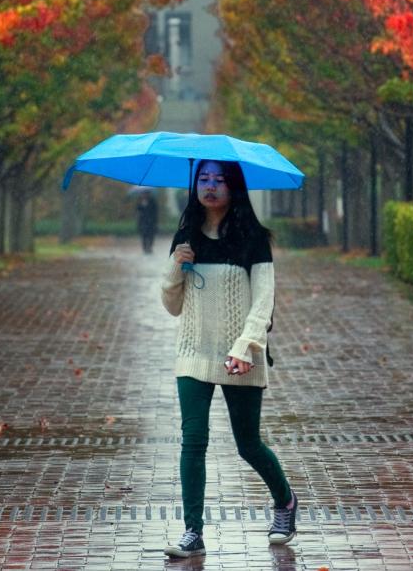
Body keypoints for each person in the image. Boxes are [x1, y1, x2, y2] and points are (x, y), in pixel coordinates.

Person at [160, 159, 297, 559]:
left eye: (219, 179)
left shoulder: (253, 237)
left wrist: (244, 347)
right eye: (203, 178)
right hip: (193, 353)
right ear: (195, 186)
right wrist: (176, 267)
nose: (210, 185)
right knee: (193, 440)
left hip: (242, 355)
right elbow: (171, 305)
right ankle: (193, 532)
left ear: (233, 186)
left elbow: (263, 303)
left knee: (248, 444)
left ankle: (285, 502)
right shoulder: (185, 236)